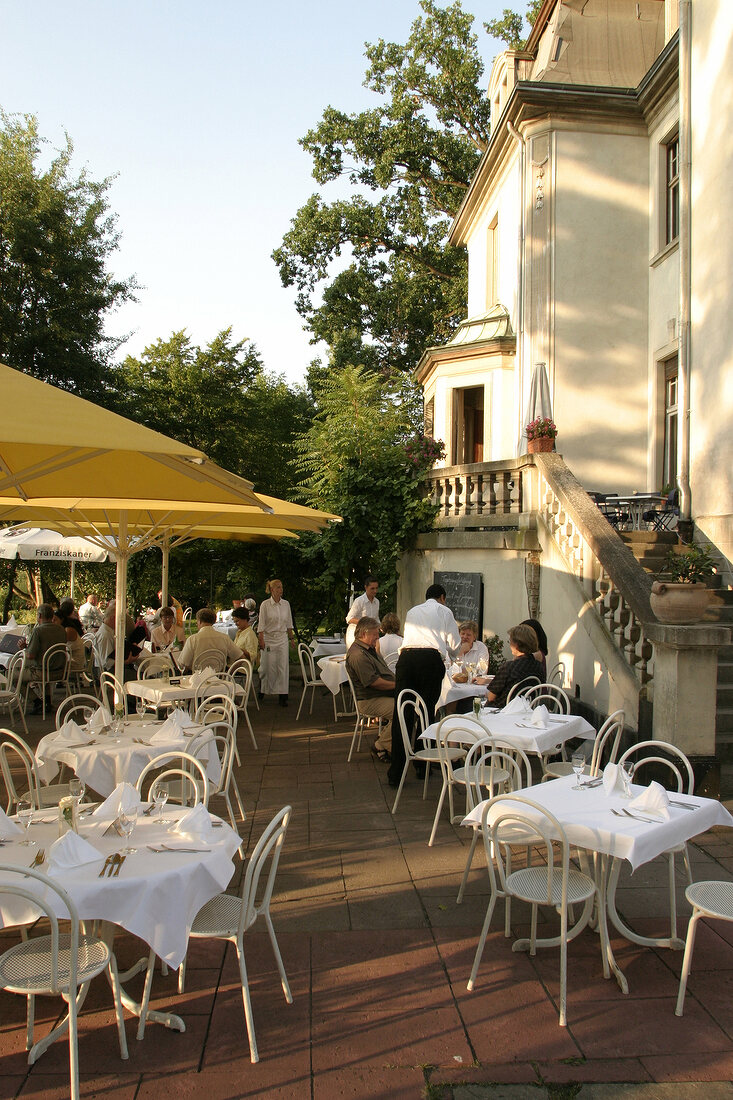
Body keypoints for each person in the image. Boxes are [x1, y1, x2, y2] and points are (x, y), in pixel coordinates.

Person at [386, 584, 460, 789]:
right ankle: (422, 764)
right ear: (442, 597)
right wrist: (452, 656)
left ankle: (396, 772)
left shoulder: (412, 611)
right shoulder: (444, 611)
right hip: (429, 660)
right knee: (426, 713)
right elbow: (453, 644)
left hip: (407, 659)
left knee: (402, 714)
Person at [345, 617, 395, 761]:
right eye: (375, 634)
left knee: (411, 707)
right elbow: (374, 683)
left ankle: (388, 743)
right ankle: (382, 745)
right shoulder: (357, 654)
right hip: (369, 700)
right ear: (364, 634)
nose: (378, 637)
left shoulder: (369, 649)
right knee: (402, 710)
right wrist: (398, 685)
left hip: (382, 695)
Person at [21, 603, 67, 713]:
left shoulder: (38, 631)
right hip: (61, 671)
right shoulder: (61, 629)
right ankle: (47, 702)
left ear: (40, 616)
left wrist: (24, 648)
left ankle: (37, 702)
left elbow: (30, 655)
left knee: (15, 677)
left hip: (43, 672)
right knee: (44, 665)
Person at [487, 624, 545, 708]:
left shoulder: (509, 667)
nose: (509, 644)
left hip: (503, 710)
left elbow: (491, 697)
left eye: (510, 641)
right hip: (528, 709)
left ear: (516, 645)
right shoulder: (538, 666)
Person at [257, 579, 294, 706]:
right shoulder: (265, 605)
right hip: (269, 638)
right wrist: (261, 639)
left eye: (281, 587)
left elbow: (289, 623)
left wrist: (291, 638)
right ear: (272, 590)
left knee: (283, 666)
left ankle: (283, 695)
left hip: (282, 638)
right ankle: (263, 689)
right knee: (268, 666)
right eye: (278, 587)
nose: (281, 590)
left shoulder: (286, 604)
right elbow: (261, 625)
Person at [345, 576, 379, 649]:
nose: (375, 591)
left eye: (376, 588)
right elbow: (349, 618)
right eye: (372, 588)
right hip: (354, 635)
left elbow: (376, 619)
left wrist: (385, 628)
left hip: (368, 636)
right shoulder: (359, 601)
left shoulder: (377, 602)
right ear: (366, 587)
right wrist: (365, 623)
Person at [53, 599, 85, 673]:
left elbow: (59, 645)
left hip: (75, 662)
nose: (52, 622)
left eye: (55, 620)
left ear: (61, 620)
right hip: (68, 659)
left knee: (49, 666)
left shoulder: (68, 630)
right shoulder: (63, 629)